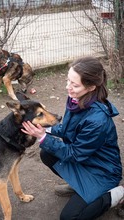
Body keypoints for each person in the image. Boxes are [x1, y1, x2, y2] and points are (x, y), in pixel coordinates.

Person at [21, 56, 123, 220]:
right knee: (46, 153)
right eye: (68, 81)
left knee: (69, 217)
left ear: (91, 87)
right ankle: (78, 186)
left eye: (75, 85)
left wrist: (43, 137)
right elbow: (68, 129)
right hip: (86, 160)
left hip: (102, 172)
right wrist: (46, 131)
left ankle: (115, 195)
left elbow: (74, 154)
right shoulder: (76, 99)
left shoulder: (97, 120)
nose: (68, 87)